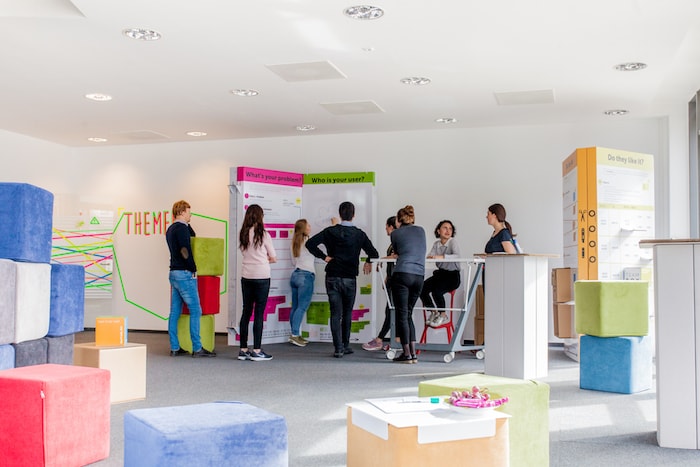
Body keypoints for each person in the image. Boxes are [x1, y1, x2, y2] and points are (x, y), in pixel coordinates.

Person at [306, 201, 379, 358]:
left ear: (340, 214)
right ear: (353, 215)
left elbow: (310, 244)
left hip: (332, 276)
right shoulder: (359, 234)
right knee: (347, 313)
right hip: (349, 278)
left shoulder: (330, 231)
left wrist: (324, 257)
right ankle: (345, 345)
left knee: (335, 313)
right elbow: (374, 253)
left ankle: (338, 348)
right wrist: (368, 261)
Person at [165, 200, 216, 358]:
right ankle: (197, 347)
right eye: (188, 212)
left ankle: (175, 347)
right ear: (181, 212)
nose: (190, 215)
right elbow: (185, 249)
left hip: (173, 273)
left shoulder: (171, 229)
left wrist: (187, 224)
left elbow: (192, 236)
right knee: (196, 310)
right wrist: (193, 268)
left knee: (174, 312)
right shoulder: (182, 229)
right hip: (184, 274)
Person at [238, 204, 277, 362]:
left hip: (246, 276)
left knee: (246, 311)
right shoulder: (264, 234)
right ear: (260, 217)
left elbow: (245, 253)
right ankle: (257, 350)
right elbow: (273, 257)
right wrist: (263, 259)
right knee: (259, 313)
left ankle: (243, 350)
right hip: (262, 276)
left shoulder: (243, 233)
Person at [389, 205, 426, 363]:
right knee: (409, 313)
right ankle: (413, 353)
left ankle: (406, 354)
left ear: (398, 220)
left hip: (403, 274)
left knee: (402, 314)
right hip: (419, 276)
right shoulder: (421, 231)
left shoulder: (395, 233)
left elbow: (397, 252)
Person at [363, 216, 398, 351]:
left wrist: (382, 260)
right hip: (391, 279)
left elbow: (396, 257)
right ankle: (394, 340)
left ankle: (380, 340)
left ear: (391, 227)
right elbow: (393, 263)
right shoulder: (393, 242)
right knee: (390, 310)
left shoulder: (397, 241)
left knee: (391, 310)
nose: (385, 229)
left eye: (386, 227)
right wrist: (387, 278)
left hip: (396, 281)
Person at [420, 220, 461, 327]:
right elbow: (431, 256)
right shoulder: (436, 244)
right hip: (441, 274)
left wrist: (442, 257)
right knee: (422, 288)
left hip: (452, 276)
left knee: (436, 292)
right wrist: (432, 257)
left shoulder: (452, 242)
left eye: (450, 228)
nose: (448, 231)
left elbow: (457, 256)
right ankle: (434, 312)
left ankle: (443, 315)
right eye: (445, 228)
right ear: (438, 231)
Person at [289, 219, 315, 347]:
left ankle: (295, 334)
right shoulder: (309, 241)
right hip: (306, 276)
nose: (310, 227)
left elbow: (294, 262)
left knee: (295, 307)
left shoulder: (294, 242)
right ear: (304, 228)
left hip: (295, 275)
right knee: (302, 307)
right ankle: (295, 335)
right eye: (308, 225)